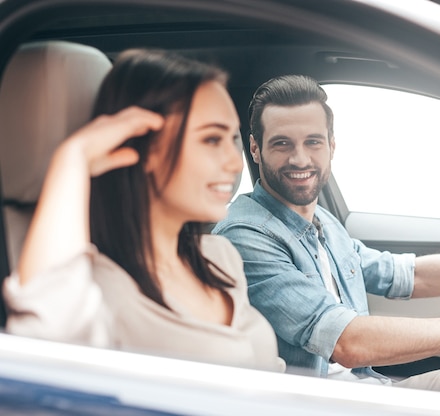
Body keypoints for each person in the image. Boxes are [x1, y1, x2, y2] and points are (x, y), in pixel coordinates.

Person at [213, 74, 440, 399]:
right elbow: (349, 342)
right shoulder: (247, 235)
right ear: (255, 149)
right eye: (282, 144)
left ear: (331, 147)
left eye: (313, 142)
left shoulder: (320, 221)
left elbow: (409, 275)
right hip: (327, 403)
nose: (300, 159)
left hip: (370, 389)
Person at [3, 49, 284, 372]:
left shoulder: (219, 257)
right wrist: (73, 158)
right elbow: (45, 355)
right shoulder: (100, 287)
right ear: (146, 145)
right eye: (210, 139)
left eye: (232, 138)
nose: (236, 163)